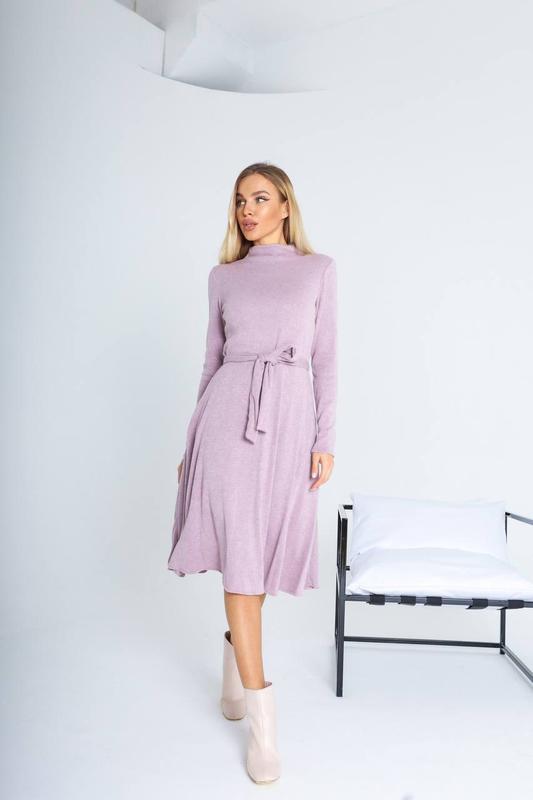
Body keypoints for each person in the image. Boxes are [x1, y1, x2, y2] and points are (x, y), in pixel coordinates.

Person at [167, 162, 337, 783]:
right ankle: (264, 726)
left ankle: (233, 672)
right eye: (240, 200)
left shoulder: (318, 270)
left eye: (260, 199)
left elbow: (327, 359)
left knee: (260, 558)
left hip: (289, 422)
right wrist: (193, 441)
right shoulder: (223, 277)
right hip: (226, 424)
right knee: (241, 556)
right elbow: (210, 362)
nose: (247, 210)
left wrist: (324, 438)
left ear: (286, 205)